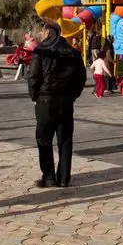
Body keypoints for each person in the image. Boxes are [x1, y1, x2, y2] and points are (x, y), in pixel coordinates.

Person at [28, 18, 87, 188]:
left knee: (44, 139)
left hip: (46, 100)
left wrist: (35, 97)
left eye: (42, 32)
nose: (40, 35)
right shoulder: (74, 53)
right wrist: (73, 96)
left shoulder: (41, 51)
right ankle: (63, 178)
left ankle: (48, 177)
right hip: (66, 102)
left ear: (47, 32)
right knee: (65, 140)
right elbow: (81, 78)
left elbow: (33, 77)